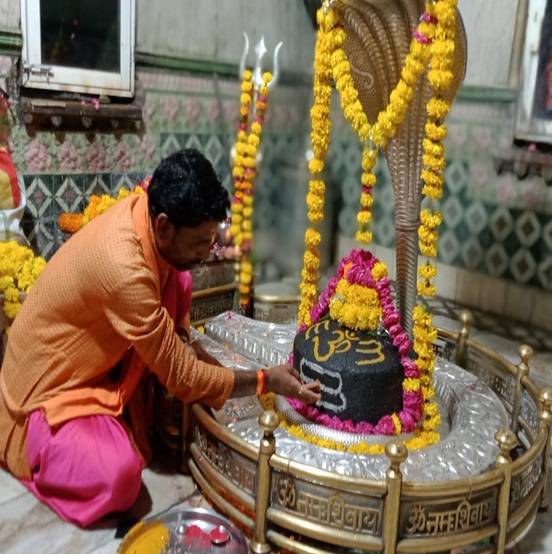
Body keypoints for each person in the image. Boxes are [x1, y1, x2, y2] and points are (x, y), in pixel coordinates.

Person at [0, 148, 320, 527]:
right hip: (43, 395)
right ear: (164, 226)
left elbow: (178, 324)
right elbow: (183, 378)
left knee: (180, 279)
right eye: (201, 243)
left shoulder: (143, 215)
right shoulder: (124, 267)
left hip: (86, 367)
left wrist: (188, 343)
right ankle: (37, 457)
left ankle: (116, 416)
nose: (207, 254)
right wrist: (266, 379)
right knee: (120, 478)